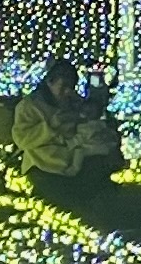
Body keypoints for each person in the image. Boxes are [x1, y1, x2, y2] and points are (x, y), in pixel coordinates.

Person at [10, 56, 125, 185]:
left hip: (76, 155)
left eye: (71, 87)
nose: (67, 91)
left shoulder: (74, 101)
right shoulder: (29, 106)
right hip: (44, 163)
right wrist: (51, 126)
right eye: (63, 86)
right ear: (50, 82)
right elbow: (22, 139)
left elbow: (89, 120)